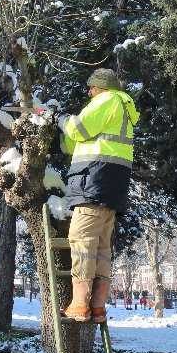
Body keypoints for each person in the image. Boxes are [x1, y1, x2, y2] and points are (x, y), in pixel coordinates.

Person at [58, 68, 139, 323]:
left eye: (92, 88)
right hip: (111, 187)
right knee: (102, 248)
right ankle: (98, 306)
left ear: (101, 87)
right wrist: (62, 133)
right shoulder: (122, 110)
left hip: (93, 182)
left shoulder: (108, 100)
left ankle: (80, 304)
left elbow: (78, 129)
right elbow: (75, 142)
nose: (89, 93)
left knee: (81, 240)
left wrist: (60, 119)